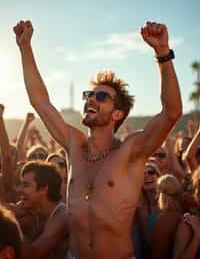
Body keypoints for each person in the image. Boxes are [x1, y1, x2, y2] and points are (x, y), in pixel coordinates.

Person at [13, 20, 182, 258]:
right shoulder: (74, 146)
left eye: (101, 96)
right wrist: (25, 48)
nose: (91, 99)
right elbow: (40, 102)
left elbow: (172, 112)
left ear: (118, 114)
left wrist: (163, 53)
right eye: (89, 95)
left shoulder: (130, 152)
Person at [14, 161, 68, 259]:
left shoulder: (61, 216)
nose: (19, 190)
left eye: (26, 185)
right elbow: (7, 210)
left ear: (43, 189)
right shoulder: (30, 207)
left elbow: (33, 255)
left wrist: (9, 227)